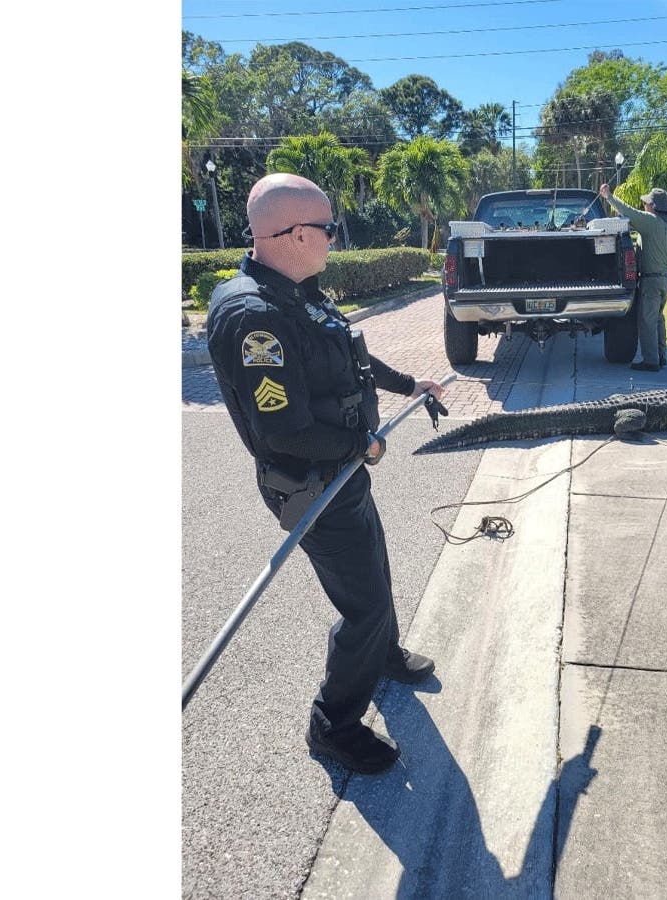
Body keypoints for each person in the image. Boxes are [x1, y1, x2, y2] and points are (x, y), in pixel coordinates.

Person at [206, 173, 447, 775]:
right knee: (363, 605)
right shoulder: (254, 318)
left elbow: (349, 353)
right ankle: (333, 724)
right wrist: (361, 443)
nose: (334, 238)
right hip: (312, 485)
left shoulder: (299, 291)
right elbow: (283, 432)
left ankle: (381, 655)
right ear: (293, 235)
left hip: (343, 471)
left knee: (375, 569)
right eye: (328, 228)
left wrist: (407, 385)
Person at [598, 183, 667, 371]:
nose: (644, 205)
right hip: (665, 280)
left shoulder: (650, 221)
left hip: (650, 281)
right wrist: (666, 263)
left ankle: (651, 362)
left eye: (646, 203)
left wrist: (608, 196)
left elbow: (628, 211)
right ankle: (661, 356)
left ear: (653, 206)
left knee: (647, 322)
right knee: (658, 318)